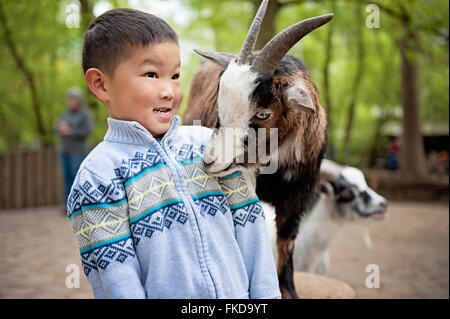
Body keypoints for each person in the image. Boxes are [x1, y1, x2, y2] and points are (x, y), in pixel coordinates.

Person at [66, 8, 280, 299]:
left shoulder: (210, 146)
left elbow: (252, 234)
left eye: (176, 75)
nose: (169, 91)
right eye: (151, 74)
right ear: (101, 84)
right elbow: (117, 280)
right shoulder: (98, 177)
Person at [55, 87, 93, 209]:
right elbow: (55, 128)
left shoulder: (85, 114)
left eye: (72, 99)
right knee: (67, 179)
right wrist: (60, 128)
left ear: (79, 100)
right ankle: (68, 205)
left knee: (77, 178)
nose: (70, 101)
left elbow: (87, 131)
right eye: (69, 99)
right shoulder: (64, 114)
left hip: (78, 152)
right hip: (64, 151)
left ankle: (79, 205)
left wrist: (70, 131)